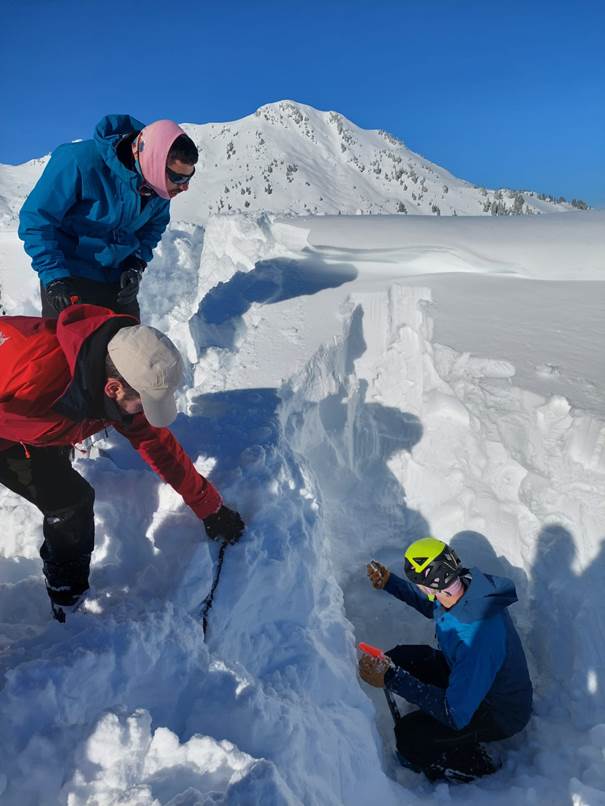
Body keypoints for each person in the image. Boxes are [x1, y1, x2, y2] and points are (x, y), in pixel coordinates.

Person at [0, 303, 244, 622]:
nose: (143, 413)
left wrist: (208, 506)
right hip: (12, 424)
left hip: (34, 428)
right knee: (70, 504)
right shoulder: (32, 380)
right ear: (112, 389)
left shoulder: (115, 371)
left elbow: (157, 443)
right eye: (142, 404)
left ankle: (68, 603)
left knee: (70, 501)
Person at [359, 537, 532, 782]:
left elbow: (454, 713)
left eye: (419, 584)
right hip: (473, 679)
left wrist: (392, 678)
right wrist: (391, 583)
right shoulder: (461, 588)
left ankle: (474, 762)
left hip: (499, 712)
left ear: (430, 587)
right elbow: (433, 606)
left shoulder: (477, 639)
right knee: (402, 658)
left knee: (410, 737)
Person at [18, 115, 197, 320]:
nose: (184, 187)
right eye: (178, 177)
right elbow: (37, 220)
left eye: (189, 177)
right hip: (69, 279)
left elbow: (154, 227)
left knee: (134, 341)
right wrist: (54, 277)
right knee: (70, 341)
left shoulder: (158, 187)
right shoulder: (78, 162)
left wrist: (135, 263)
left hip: (117, 282)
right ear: (154, 162)